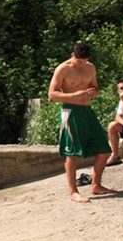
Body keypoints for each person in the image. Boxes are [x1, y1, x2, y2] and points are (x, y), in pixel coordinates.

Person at [48, 42, 116, 203]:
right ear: (73, 55)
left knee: (104, 149)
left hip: (87, 111)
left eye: (84, 61)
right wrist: (73, 96)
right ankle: (73, 192)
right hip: (71, 112)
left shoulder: (90, 67)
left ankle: (96, 185)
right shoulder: (62, 69)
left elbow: (95, 87)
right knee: (72, 153)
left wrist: (93, 91)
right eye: (79, 61)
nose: (81, 64)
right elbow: (52, 94)